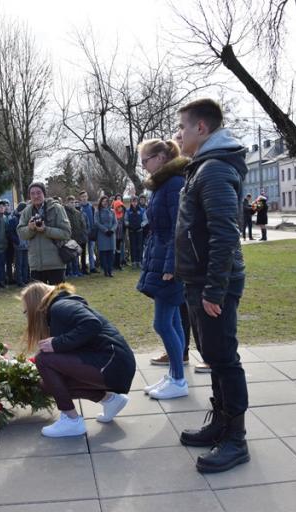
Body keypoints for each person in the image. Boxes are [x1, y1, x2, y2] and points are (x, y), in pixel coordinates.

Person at [175, 98, 250, 473]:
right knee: (214, 356)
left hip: (212, 283)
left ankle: (236, 439)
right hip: (200, 280)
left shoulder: (216, 169)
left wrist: (213, 291)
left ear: (201, 129)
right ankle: (220, 423)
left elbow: (225, 234)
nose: (178, 135)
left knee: (224, 358)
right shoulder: (203, 167)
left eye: (182, 128)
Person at [22, 282, 136, 437]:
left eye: (26, 310)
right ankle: (110, 400)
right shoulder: (61, 305)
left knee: (43, 359)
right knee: (48, 385)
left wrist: (57, 343)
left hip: (113, 364)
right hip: (114, 363)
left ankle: (71, 420)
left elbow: (91, 324)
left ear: (35, 304)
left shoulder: (60, 306)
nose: (27, 314)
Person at [136, 139, 189, 400]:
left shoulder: (174, 184)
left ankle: (178, 380)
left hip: (169, 261)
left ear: (161, 157)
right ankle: (175, 374)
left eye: (145, 160)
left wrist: (171, 265)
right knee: (174, 321)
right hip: (161, 257)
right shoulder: (163, 185)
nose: (144, 166)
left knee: (162, 324)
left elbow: (179, 228)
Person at [17, 182, 72, 285]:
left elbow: (66, 233)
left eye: (39, 193)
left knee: (57, 299)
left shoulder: (56, 208)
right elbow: (21, 233)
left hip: (55, 263)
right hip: (36, 265)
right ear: (29, 195)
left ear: (44, 194)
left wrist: (46, 230)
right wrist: (30, 228)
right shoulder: (26, 212)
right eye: (32, 193)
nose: (36, 196)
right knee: (39, 300)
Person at [64, 195, 87, 277]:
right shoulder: (64, 212)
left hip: (77, 238)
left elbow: (82, 224)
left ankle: (76, 270)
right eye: (71, 202)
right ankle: (70, 272)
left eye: (74, 202)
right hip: (69, 237)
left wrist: (82, 234)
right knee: (70, 256)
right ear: (67, 203)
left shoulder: (78, 213)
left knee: (76, 256)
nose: (73, 204)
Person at [7, 202, 30, 287]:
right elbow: (10, 233)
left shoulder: (27, 219)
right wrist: (16, 241)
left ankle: (25, 279)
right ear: (21, 210)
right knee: (19, 263)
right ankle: (19, 281)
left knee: (26, 263)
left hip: (26, 244)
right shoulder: (14, 220)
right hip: (19, 245)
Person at [94, 196, 116, 277]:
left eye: (106, 201)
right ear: (101, 202)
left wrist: (112, 230)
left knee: (111, 254)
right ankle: (105, 270)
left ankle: (110, 270)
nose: (105, 203)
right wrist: (105, 230)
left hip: (111, 235)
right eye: (103, 201)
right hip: (102, 235)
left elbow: (115, 222)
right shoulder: (97, 212)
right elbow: (96, 222)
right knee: (103, 254)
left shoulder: (112, 211)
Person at [77, 190, 97, 274]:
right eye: (82, 197)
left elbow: (94, 218)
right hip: (83, 233)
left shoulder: (91, 207)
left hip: (91, 232)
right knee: (83, 252)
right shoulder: (78, 208)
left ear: (87, 197)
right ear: (80, 198)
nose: (84, 198)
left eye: (85, 196)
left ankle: (92, 267)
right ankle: (83, 268)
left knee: (91, 250)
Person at [124, 197, 144, 269]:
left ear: (137, 202)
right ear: (131, 202)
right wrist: (128, 224)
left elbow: (145, 220)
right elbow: (125, 220)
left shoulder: (141, 210)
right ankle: (133, 262)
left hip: (139, 231)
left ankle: (140, 262)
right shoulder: (128, 211)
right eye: (133, 202)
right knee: (133, 247)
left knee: (139, 247)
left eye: (135, 202)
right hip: (131, 231)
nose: (134, 203)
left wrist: (141, 224)